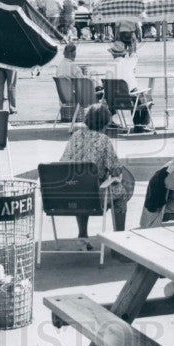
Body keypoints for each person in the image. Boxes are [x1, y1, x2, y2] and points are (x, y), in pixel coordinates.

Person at [59, 104, 136, 246]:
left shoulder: (75, 136)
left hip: (69, 194)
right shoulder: (104, 140)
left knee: (81, 184)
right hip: (93, 196)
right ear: (106, 122)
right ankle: (120, 239)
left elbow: (63, 163)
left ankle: (82, 234)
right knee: (121, 193)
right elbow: (116, 170)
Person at [109, 40, 153, 132]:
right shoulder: (128, 63)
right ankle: (141, 124)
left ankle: (138, 124)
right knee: (146, 97)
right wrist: (132, 50)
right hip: (129, 99)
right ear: (123, 54)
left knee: (135, 95)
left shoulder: (109, 66)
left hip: (113, 101)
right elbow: (135, 57)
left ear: (113, 54)